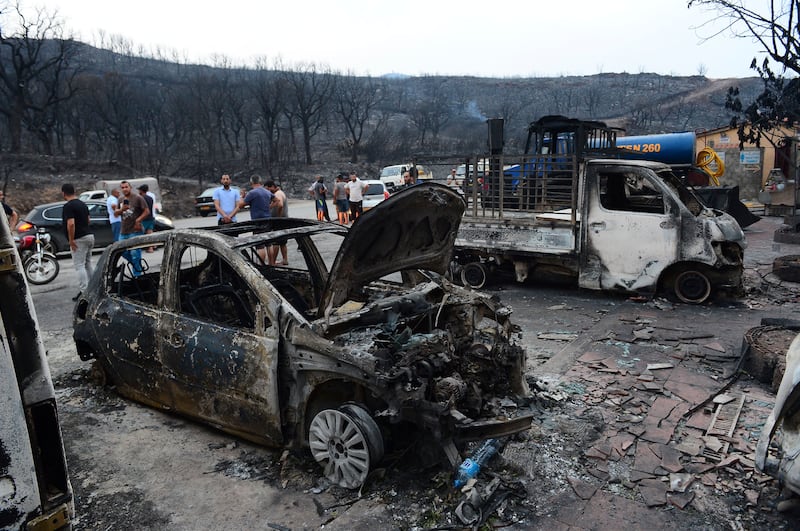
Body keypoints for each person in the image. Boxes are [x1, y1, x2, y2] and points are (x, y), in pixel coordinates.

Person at [61, 183, 95, 301]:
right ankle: (93, 288)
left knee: (79, 265)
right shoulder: (82, 204)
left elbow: (71, 224)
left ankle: (84, 292)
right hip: (89, 235)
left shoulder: (68, 206)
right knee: (87, 263)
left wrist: (71, 240)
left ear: (63, 193)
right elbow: (88, 220)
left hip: (79, 238)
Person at [115, 180, 149, 277]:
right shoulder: (120, 199)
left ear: (130, 187)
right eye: (122, 187)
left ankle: (137, 276)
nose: (124, 189)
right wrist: (121, 209)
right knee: (120, 251)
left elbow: (147, 211)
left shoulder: (138, 198)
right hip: (124, 230)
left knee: (135, 253)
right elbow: (115, 213)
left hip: (135, 230)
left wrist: (138, 220)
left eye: (126, 187)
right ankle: (137, 265)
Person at [239, 174, 274, 263]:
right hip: (268, 219)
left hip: (258, 221)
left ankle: (262, 265)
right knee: (269, 244)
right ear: (260, 181)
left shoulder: (252, 193)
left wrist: (242, 196)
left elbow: (240, 205)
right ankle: (271, 263)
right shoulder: (267, 192)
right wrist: (269, 206)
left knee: (260, 245)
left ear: (251, 182)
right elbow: (277, 201)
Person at [266, 180, 289, 266]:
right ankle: (285, 260)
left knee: (276, 242)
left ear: (272, 186)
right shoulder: (280, 192)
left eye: (268, 189)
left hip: (279, 221)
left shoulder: (277, 194)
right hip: (284, 220)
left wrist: (278, 216)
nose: (268, 191)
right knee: (283, 242)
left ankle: (273, 262)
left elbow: (280, 205)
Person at [137, 184, 156, 252]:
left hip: (143, 218)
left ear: (141, 190)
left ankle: (139, 247)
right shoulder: (150, 198)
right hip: (150, 217)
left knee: (139, 234)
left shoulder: (141, 198)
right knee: (149, 233)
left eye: (139, 190)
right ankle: (151, 248)